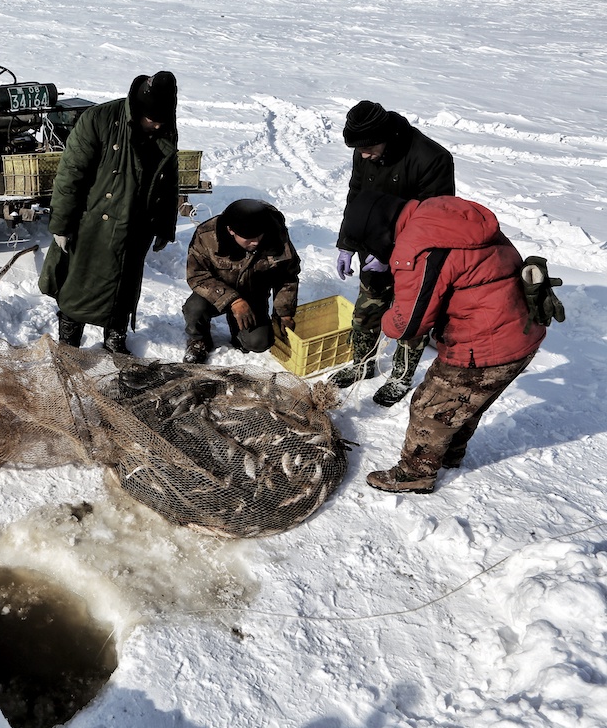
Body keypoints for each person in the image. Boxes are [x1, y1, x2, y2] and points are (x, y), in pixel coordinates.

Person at [338, 191, 548, 494]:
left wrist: (385, 318)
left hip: (487, 344)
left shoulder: (415, 248)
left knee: (430, 408)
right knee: (466, 403)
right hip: (522, 328)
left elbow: (408, 324)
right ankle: (449, 453)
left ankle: (415, 474)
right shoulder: (438, 212)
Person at [38, 71, 180, 354]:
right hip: (93, 223)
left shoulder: (163, 126)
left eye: (161, 120)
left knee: (124, 287)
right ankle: (69, 342)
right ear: (139, 108)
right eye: (151, 120)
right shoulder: (98, 120)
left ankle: (115, 336)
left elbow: (168, 177)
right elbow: (70, 175)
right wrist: (61, 225)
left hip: (137, 223)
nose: (155, 125)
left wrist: (165, 223)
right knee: (80, 286)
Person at [332, 100, 456, 406]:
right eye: (358, 149)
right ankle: (363, 364)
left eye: (368, 148)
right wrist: (348, 241)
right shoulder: (366, 148)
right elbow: (356, 196)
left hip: (417, 257)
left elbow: (433, 220)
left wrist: (391, 253)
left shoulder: (432, 158)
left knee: (410, 317)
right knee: (366, 310)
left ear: (385, 135)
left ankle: (401, 376)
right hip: (373, 247)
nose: (362, 155)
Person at [182, 199, 300, 364]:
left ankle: (239, 335)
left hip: (253, 293)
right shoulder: (207, 235)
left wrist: (284, 313)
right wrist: (233, 300)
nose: (256, 242)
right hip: (216, 291)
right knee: (195, 308)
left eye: (259, 235)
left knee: (258, 343)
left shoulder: (275, 236)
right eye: (249, 238)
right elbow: (197, 275)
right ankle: (199, 340)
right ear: (231, 230)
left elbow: (287, 276)